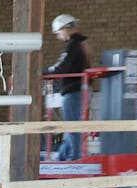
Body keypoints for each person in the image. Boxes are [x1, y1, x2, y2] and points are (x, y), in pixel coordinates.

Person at [45, 14, 90, 161]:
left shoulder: (73, 45)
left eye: (58, 32)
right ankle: (63, 157)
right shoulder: (81, 43)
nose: (58, 36)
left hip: (74, 91)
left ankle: (74, 159)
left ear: (65, 29)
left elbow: (62, 67)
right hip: (78, 90)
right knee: (71, 127)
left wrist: (43, 72)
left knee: (72, 127)